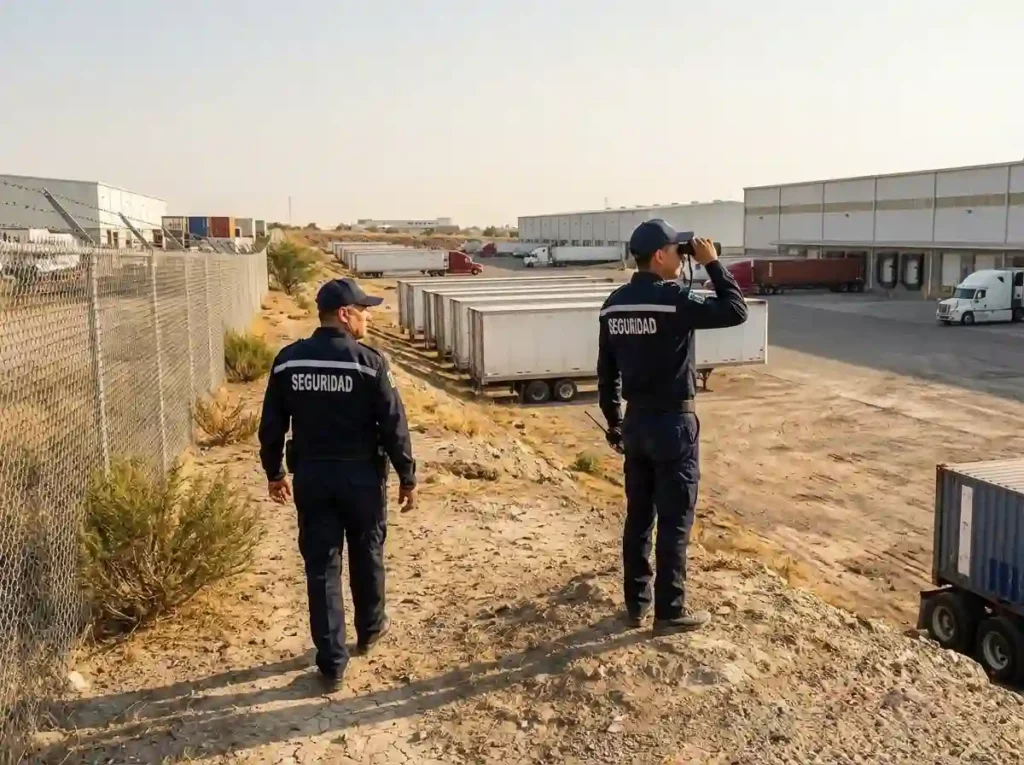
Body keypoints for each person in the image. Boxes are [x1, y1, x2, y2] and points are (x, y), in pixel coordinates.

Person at [258, 277, 417, 690]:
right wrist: (407, 475)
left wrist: (274, 472)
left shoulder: (289, 361)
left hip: (312, 477)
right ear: (345, 315)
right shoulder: (370, 362)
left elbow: (272, 424)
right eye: (363, 311)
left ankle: (331, 663)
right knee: (367, 553)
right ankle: (369, 630)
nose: (368, 317)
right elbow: (394, 425)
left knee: (322, 568)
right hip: (361, 479)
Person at [597, 219, 748, 634]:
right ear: (660, 256)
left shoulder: (613, 304)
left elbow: (606, 375)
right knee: (675, 519)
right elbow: (736, 311)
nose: (683, 259)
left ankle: (636, 603)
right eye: (677, 252)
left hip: (636, 423)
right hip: (673, 424)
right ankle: (670, 611)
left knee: (638, 518)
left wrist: (614, 424)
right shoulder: (674, 301)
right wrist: (714, 265)